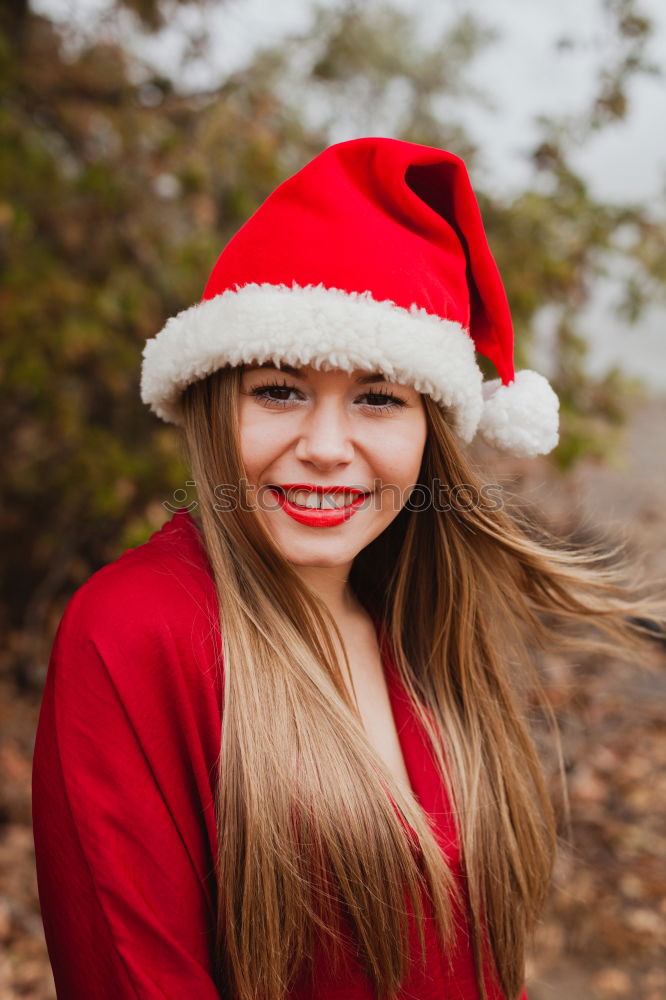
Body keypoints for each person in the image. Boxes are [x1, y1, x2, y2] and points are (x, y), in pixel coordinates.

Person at [31, 136, 664, 1000]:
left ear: (429, 434)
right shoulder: (138, 629)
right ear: (218, 406)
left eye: (378, 398)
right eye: (280, 390)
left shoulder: (421, 626)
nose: (325, 449)